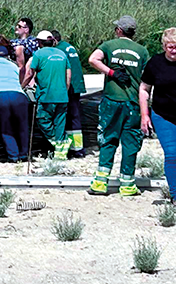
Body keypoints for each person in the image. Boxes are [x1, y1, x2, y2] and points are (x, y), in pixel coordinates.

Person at [87, 15, 150, 197]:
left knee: (108, 138)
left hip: (112, 100)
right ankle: (128, 185)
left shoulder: (109, 46)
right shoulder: (142, 51)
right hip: (133, 102)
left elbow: (93, 59)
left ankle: (100, 183)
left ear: (119, 30)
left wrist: (112, 72)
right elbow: (146, 78)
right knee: (131, 143)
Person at [139, 27, 176, 204]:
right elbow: (144, 89)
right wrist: (144, 115)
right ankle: (175, 196)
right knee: (172, 154)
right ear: (164, 46)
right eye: (170, 46)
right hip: (163, 115)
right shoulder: (155, 63)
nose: (174, 50)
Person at [25, 30, 71, 160]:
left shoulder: (38, 54)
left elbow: (29, 74)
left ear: (39, 42)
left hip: (46, 95)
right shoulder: (62, 54)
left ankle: (57, 141)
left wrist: (22, 86)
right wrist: (64, 90)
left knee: (42, 119)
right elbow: (68, 75)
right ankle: (61, 152)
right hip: (62, 95)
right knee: (60, 123)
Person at [52, 30, 87, 158]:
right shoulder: (68, 46)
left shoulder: (59, 50)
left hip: (69, 86)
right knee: (75, 116)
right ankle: (78, 147)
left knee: (67, 116)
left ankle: (73, 148)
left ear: (54, 40)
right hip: (77, 84)